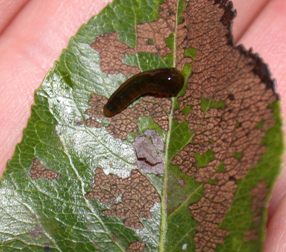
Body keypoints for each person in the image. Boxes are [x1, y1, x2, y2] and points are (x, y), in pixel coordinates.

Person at [0, 0, 285, 250]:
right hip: (131, 92)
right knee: (126, 95)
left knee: (135, 90)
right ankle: (114, 105)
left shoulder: (158, 80)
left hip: (140, 88)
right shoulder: (150, 82)